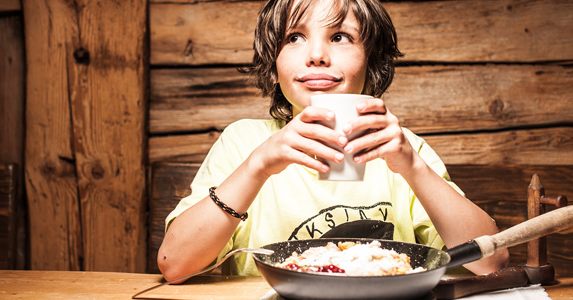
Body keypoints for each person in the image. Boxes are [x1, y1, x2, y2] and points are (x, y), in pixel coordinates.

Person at [158, 0, 509, 282]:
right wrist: (258, 165)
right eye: (294, 37)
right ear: (273, 62)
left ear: (371, 60)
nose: (316, 55)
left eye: (340, 36)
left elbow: (491, 262)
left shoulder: (405, 150)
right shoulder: (243, 142)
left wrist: (413, 167)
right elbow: (174, 265)